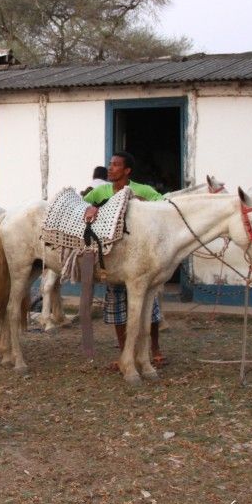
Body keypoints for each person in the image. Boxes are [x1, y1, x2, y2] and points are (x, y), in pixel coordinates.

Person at [81, 151, 166, 370]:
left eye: (116, 165)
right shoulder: (100, 191)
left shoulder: (142, 189)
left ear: (127, 170)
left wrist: (141, 202)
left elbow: (164, 206)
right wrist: (89, 207)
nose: (110, 168)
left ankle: (155, 349)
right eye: (110, 164)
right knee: (118, 309)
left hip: (141, 260)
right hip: (113, 259)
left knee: (151, 309)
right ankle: (124, 355)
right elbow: (81, 205)